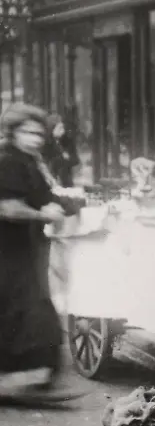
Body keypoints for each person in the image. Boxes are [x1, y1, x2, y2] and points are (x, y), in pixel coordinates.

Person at [0, 104, 82, 399]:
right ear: (13, 132)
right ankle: (27, 382)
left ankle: (35, 380)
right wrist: (42, 215)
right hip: (8, 249)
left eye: (38, 134)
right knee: (23, 311)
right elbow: (7, 207)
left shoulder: (29, 160)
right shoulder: (8, 161)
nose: (35, 139)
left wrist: (67, 205)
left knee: (31, 310)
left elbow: (44, 195)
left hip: (25, 248)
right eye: (28, 132)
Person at [43, 113, 80, 187]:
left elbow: (76, 160)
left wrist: (67, 158)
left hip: (66, 181)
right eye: (59, 128)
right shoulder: (45, 143)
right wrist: (61, 158)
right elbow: (45, 162)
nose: (63, 131)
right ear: (52, 128)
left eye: (63, 128)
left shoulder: (68, 141)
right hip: (50, 180)